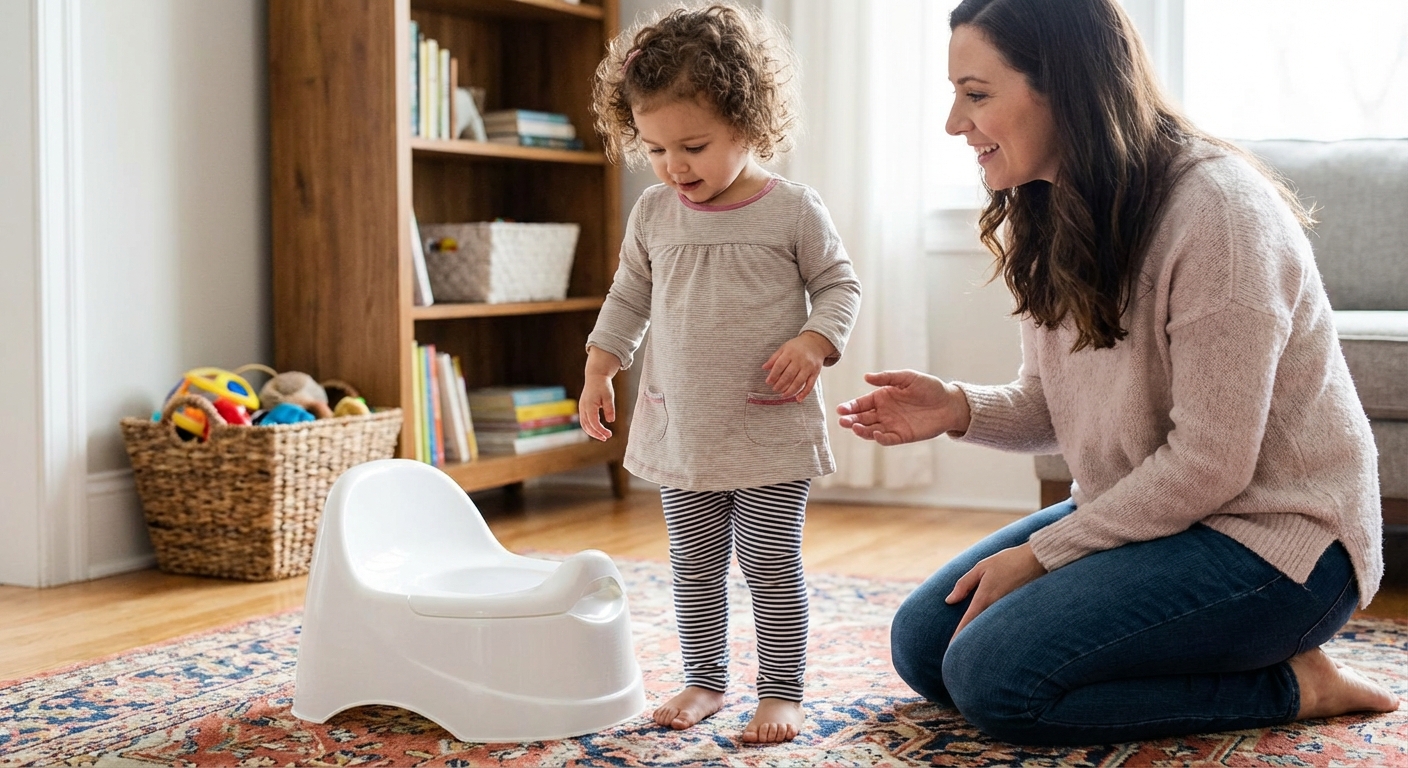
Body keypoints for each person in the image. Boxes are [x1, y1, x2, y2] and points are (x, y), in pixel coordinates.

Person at [835, 0, 1399, 746]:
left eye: (976, 95)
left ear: (1066, 88)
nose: (953, 123)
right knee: (924, 647)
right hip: (1157, 512)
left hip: (1277, 541)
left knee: (993, 682)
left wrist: (1041, 556)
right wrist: (956, 408)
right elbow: (1053, 405)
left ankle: (1294, 682)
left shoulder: (1219, 213)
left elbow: (1210, 463)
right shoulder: (1053, 203)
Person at [580, 2, 861, 744]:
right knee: (694, 567)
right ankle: (705, 678)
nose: (675, 167)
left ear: (748, 120)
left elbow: (840, 287)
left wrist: (814, 340)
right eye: (655, 149)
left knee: (769, 565)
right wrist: (600, 368)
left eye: (694, 146)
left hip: (768, 423)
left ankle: (781, 689)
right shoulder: (653, 215)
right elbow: (628, 297)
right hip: (682, 428)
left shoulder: (793, 211)